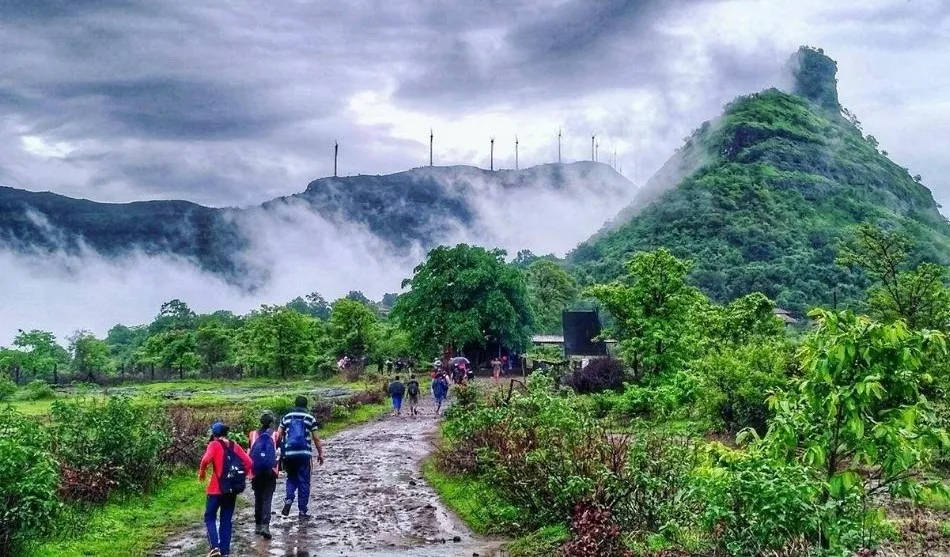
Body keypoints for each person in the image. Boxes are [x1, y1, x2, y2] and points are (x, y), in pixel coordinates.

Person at [198, 422, 252, 557]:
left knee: (209, 517)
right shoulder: (234, 445)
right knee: (226, 519)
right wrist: (237, 476)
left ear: (214, 434)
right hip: (231, 490)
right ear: (226, 433)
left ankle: (214, 547)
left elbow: (205, 460)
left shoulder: (214, 444)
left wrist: (202, 472)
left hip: (216, 490)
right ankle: (225, 552)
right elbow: (249, 462)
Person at [278, 396, 325, 519]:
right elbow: (316, 438)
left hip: (289, 455)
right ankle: (302, 511)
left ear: (295, 404)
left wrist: (280, 451)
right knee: (304, 482)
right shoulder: (310, 418)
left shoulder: (287, 417)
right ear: (306, 405)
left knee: (291, 478)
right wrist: (320, 454)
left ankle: (288, 499)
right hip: (304, 455)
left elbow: (278, 435)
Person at [249, 413, 279, 539]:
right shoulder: (275, 434)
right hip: (270, 471)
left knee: (258, 497)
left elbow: (249, 451)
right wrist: (277, 468)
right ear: (271, 422)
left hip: (255, 471)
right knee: (267, 498)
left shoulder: (252, 434)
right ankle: (265, 527)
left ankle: (257, 526)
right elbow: (278, 452)